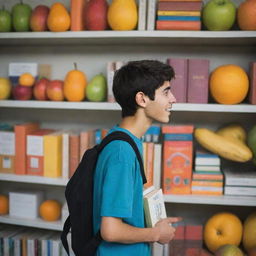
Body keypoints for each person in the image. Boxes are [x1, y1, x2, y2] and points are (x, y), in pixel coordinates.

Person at [93, 60, 181, 256]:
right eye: (166, 92)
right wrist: (156, 233)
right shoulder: (121, 153)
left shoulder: (127, 141)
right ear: (142, 99)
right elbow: (110, 230)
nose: (173, 99)